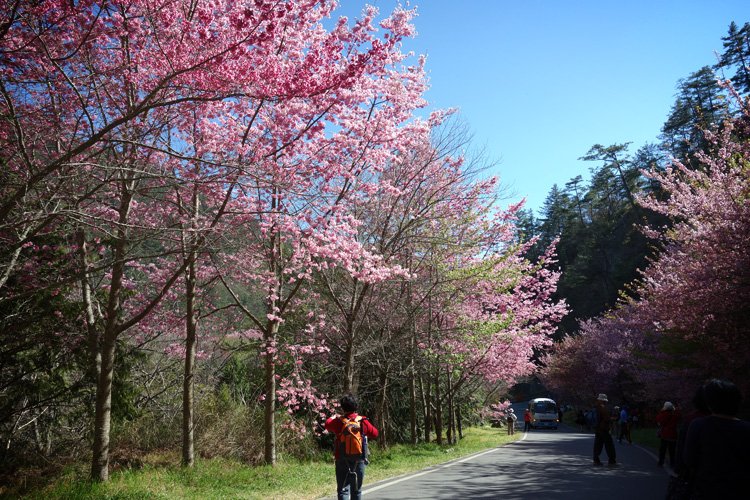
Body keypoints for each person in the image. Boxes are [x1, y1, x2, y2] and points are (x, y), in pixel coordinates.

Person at [683, 379, 750, 498]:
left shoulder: (698, 425)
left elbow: (689, 460)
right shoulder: (746, 428)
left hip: (705, 489)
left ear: (710, 403)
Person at [325, 394, 379, 500]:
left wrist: (333, 416)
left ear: (342, 407)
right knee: (356, 490)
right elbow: (375, 433)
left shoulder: (339, 421)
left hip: (341, 458)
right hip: (359, 459)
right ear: (356, 406)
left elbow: (327, 424)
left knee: (343, 490)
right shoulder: (362, 420)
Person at [592, 393, 616, 466]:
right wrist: (612, 418)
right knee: (609, 445)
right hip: (604, 428)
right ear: (603, 401)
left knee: (598, 445)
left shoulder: (596, 407)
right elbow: (606, 418)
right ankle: (612, 461)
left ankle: (596, 460)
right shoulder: (603, 408)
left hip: (598, 428)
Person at [656, 401, 681, 467]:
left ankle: (661, 461)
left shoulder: (663, 414)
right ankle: (672, 462)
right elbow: (679, 416)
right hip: (673, 434)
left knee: (663, 449)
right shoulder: (675, 414)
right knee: (672, 450)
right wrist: (675, 409)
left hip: (665, 434)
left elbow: (658, 419)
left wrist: (662, 411)